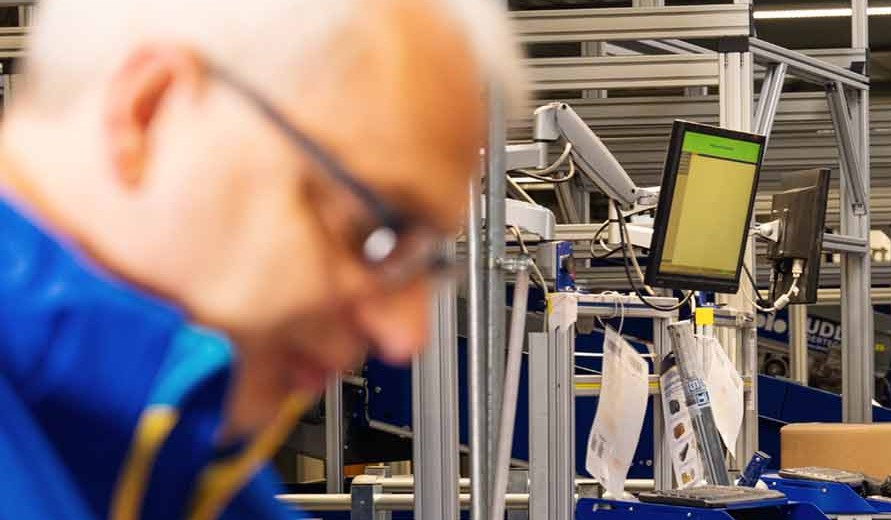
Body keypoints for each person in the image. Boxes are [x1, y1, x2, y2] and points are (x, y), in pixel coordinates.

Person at [0, 0, 524, 517]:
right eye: (375, 235)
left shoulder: (176, 463)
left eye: (422, 263)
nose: (406, 336)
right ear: (149, 111)